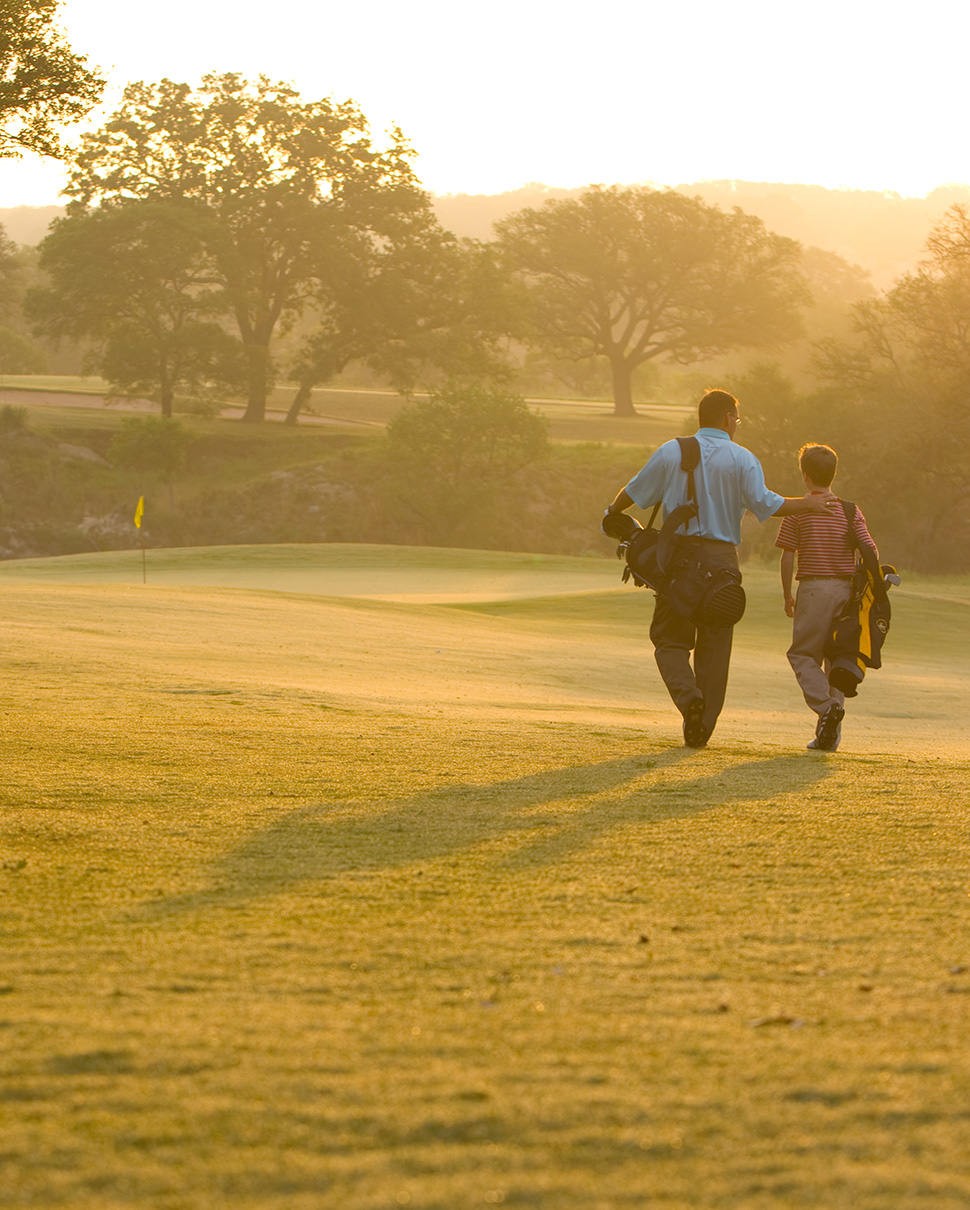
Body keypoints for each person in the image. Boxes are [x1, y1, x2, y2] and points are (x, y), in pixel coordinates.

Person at [605, 389, 836, 748]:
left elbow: (633, 493)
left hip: (676, 563)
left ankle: (688, 701)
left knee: (669, 641)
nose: (737, 424)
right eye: (737, 418)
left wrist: (611, 512)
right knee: (714, 649)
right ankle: (702, 728)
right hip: (722, 563)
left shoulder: (672, 450)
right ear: (728, 417)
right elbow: (768, 505)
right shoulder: (743, 458)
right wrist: (807, 505)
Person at [776, 442, 878, 752]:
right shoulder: (850, 510)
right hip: (846, 592)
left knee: (804, 656)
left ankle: (825, 707)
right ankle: (828, 738)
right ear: (833, 473)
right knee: (837, 661)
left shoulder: (799, 509)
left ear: (805, 476)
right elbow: (870, 549)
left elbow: (787, 557)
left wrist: (786, 595)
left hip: (813, 589)